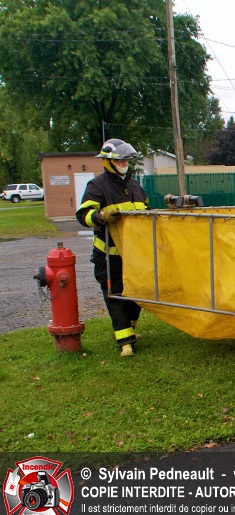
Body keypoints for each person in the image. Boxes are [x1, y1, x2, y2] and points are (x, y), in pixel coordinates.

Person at [76, 139, 149, 357]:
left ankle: (130, 331)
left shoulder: (135, 186)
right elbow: (83, 215)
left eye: (126, 160)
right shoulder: (97, 186)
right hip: (108, 255)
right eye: (120, 160)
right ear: (108, 161)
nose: (124, 163)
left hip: (133, 254)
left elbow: (147, 213)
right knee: (115, 295)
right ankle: (125, 341)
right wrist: (100, 216)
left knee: (138, 292)